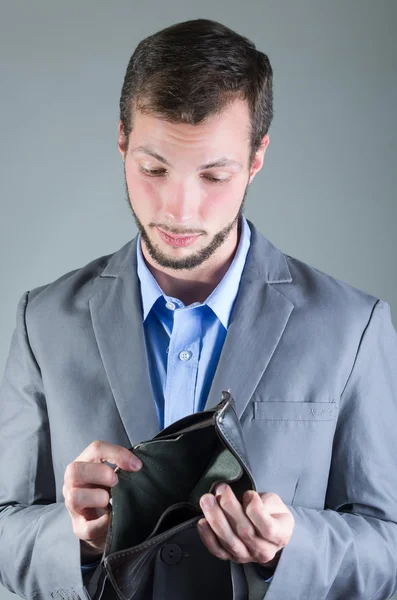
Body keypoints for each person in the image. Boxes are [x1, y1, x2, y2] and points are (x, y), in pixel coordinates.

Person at [0, 17, 397, 600]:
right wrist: (77, 541)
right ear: (121, 141)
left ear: (257, 158)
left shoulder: (354, 328)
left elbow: (389, 545)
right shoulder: (43, 321)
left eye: (214, 174)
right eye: (153, 169)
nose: (179, 209)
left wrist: (292, 550)